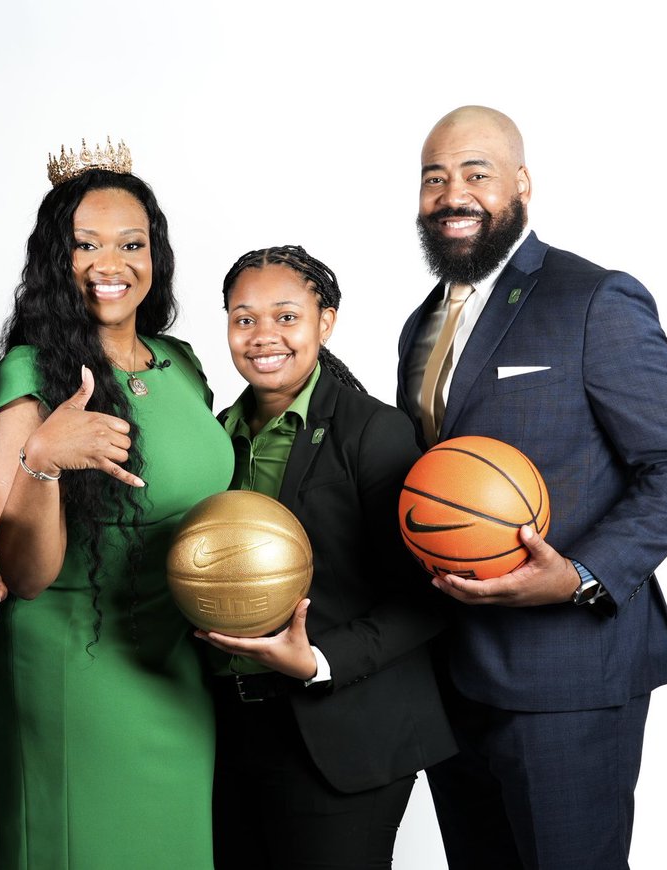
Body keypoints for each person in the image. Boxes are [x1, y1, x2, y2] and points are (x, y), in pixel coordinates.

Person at [397, 105, 667, 870]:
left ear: (522, 183)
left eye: (476, 172)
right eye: (434, 177)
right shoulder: (420, 325)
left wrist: (578, 576)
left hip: (569, 672)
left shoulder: (594, 299)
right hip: (453, 670)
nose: (453, 193)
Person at [0, 141, 233, 869]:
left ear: (156, 255)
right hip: (75, 662)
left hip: (176, 660)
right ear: (56, 259)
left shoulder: (180, 363)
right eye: (84, 244)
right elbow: (22, 573)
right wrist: (43, 461)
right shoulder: (30, 373)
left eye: (131, 243)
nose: (109, 262)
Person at [198, 245, 456, 869]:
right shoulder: (211, 437)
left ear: (326, 322)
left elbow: (428, 597)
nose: (264, 337)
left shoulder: (375, 432)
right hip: (226, 732)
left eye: (287, 316)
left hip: (343, 733)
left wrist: (316, 660)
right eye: (244, 318)